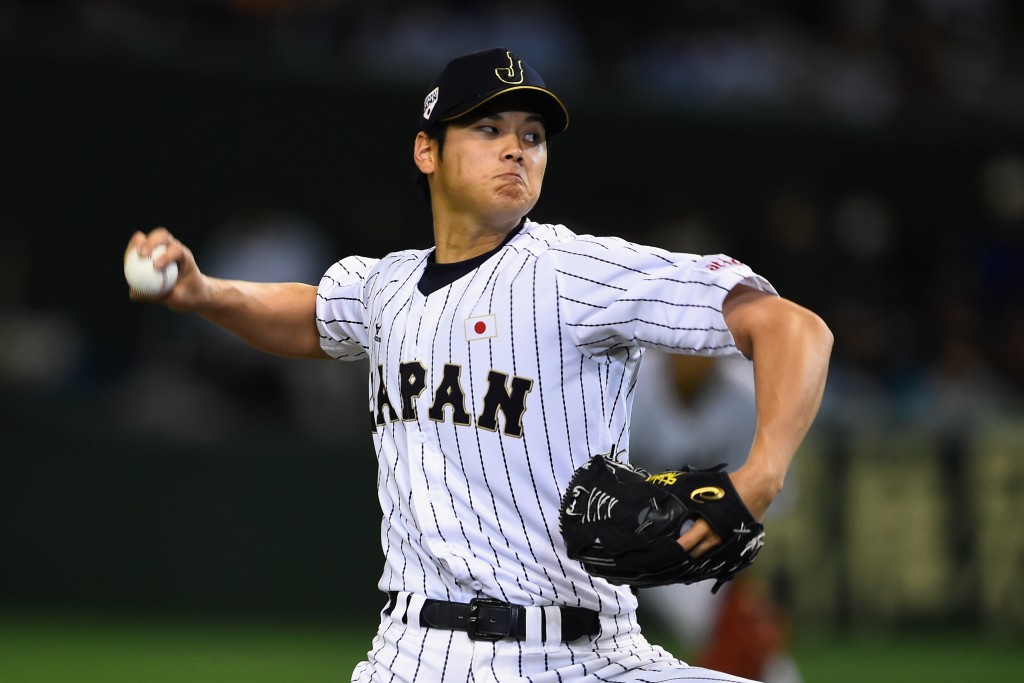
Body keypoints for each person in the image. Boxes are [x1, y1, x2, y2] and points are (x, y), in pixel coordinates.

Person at [126, 47, 832, 683]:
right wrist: (205, 292)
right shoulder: (386, 286)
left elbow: (791, 327)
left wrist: (761, 473)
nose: (516, 150)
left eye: (531, 135)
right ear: (426, 151)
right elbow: (312, 315)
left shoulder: (576, 270)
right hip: (418, 655)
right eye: (488, 130)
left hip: (597, 654)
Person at [629, 351, 802, 683]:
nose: (693, 353)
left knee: (742, 634)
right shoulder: (629, 381)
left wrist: (749, 582)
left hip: (700, 543)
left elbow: (761, 502)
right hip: (616, 529)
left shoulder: (749, 396)